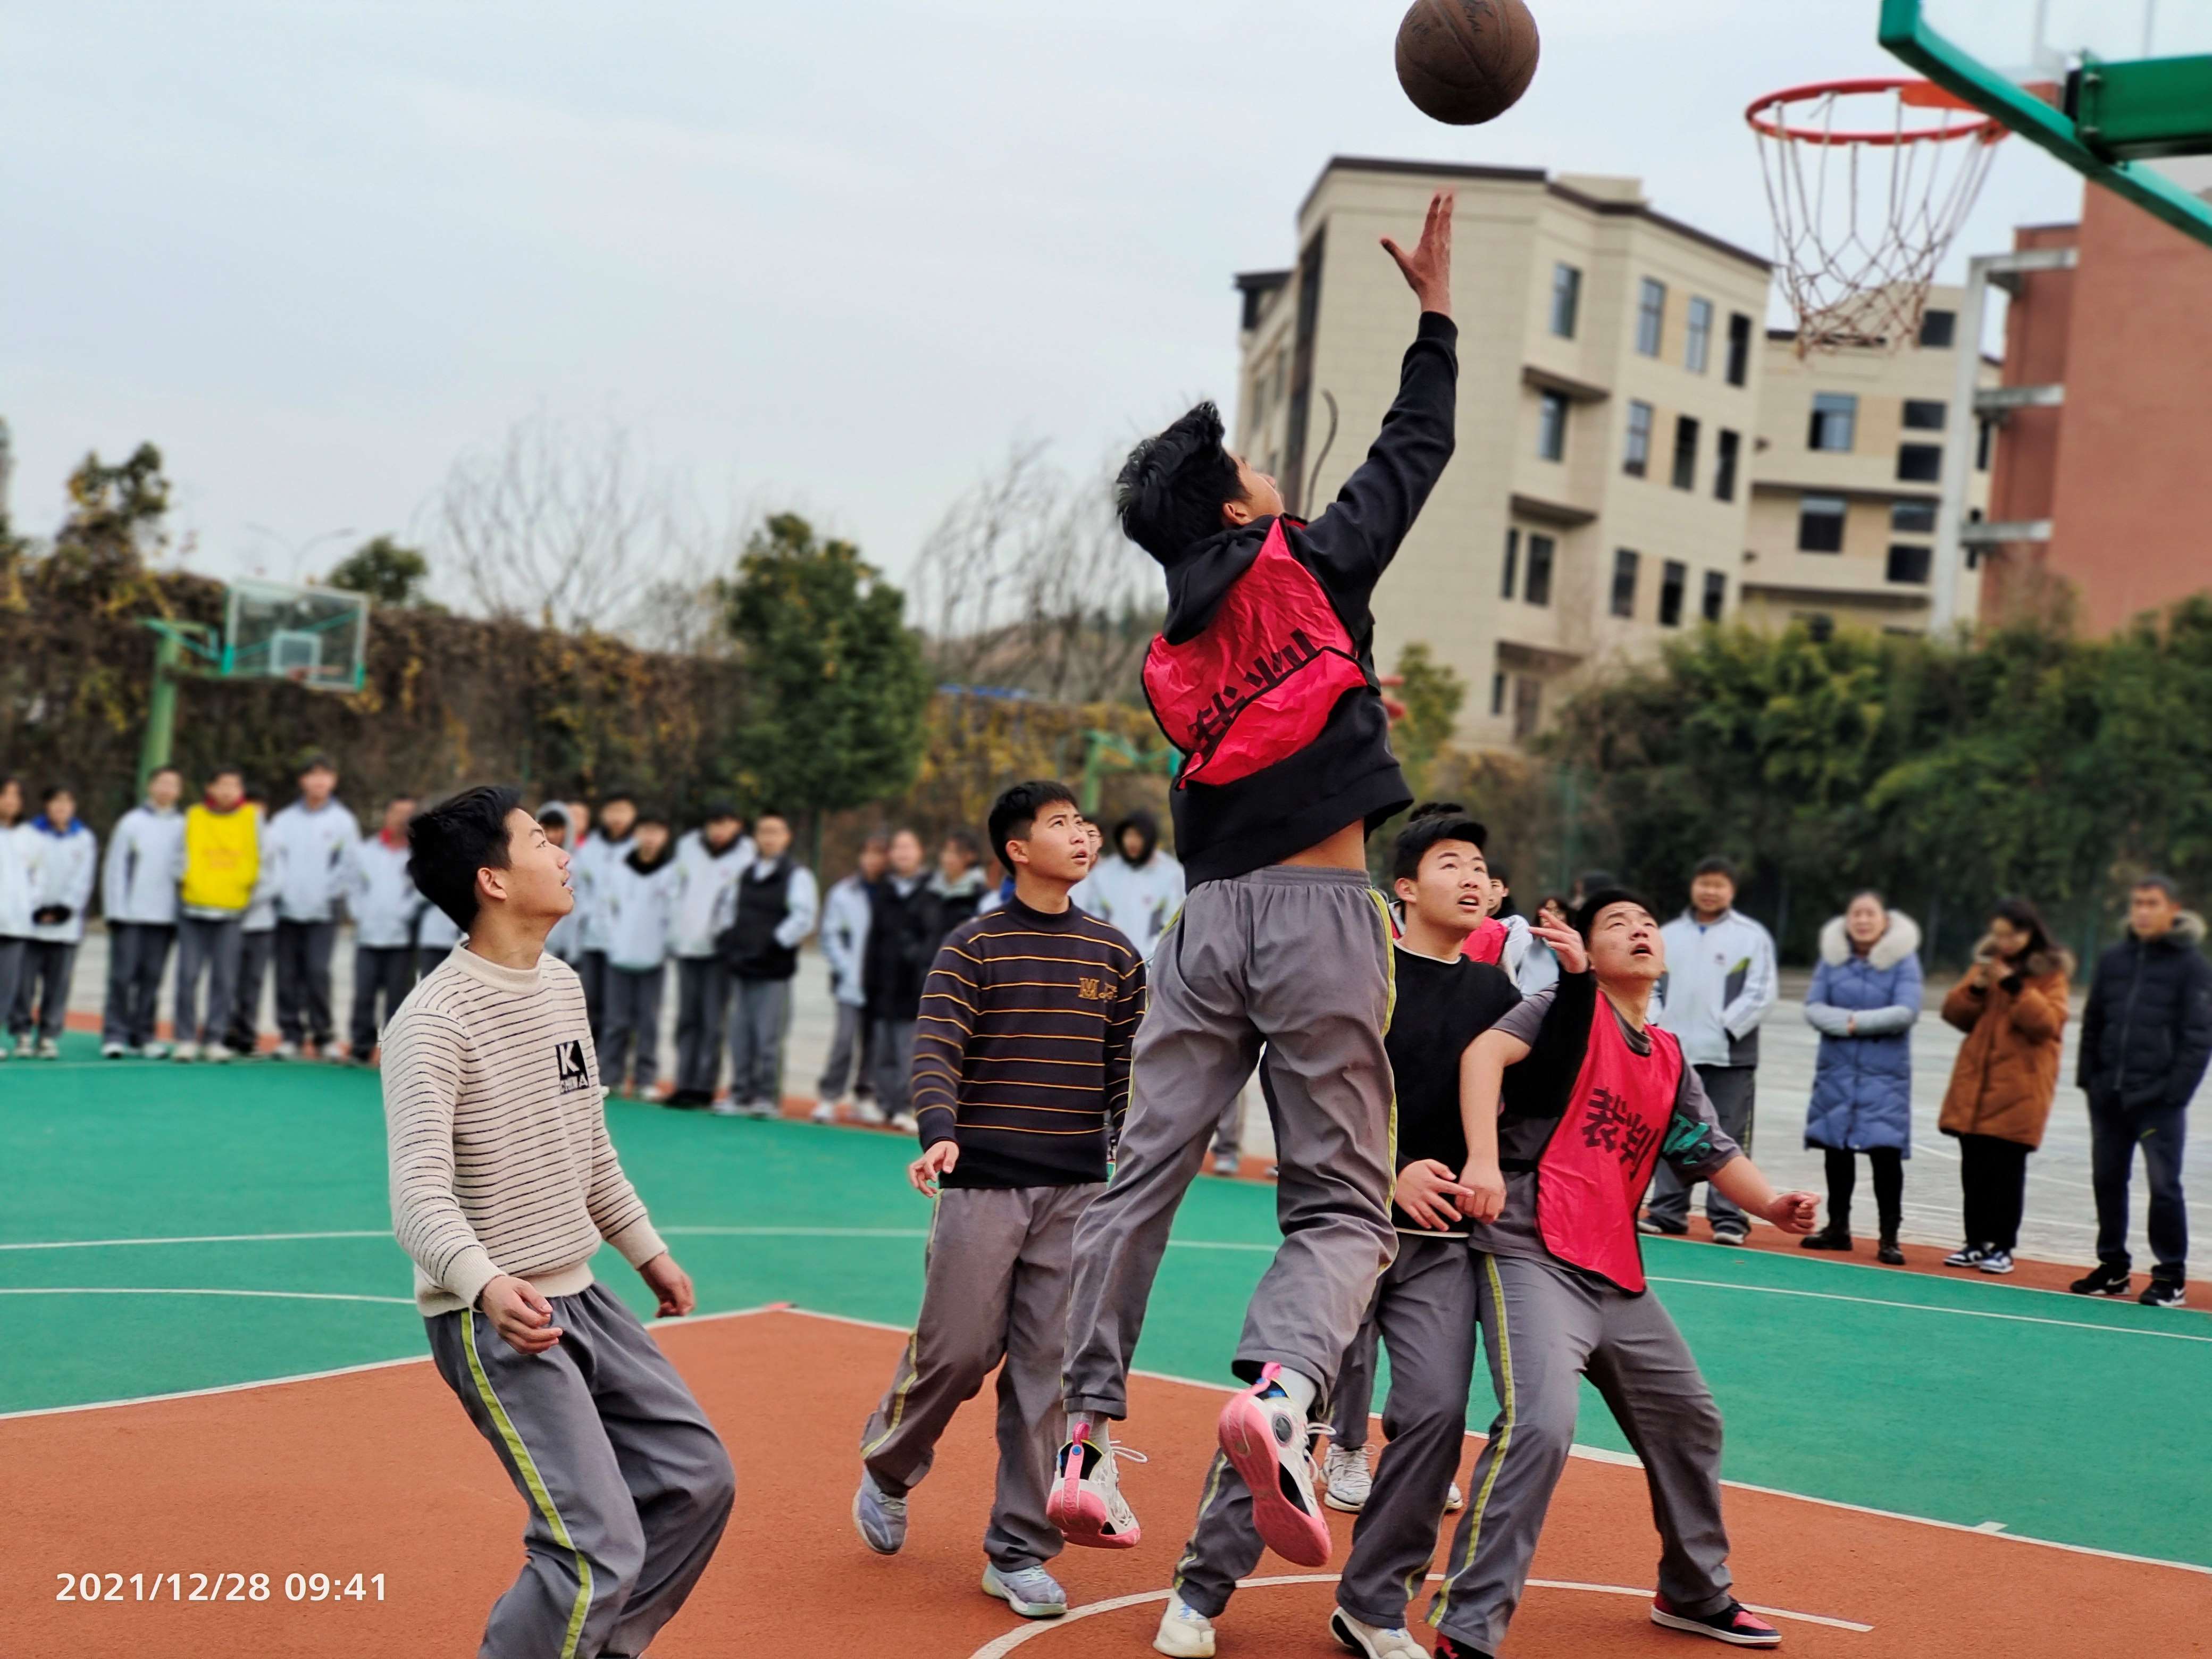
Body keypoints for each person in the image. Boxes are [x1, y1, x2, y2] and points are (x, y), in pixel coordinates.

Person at [1055, 192, 1459, 1565]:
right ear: (1234, 504)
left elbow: (1256, 735)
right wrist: (1439, 316)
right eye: (1254, 470)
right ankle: (1285, 1395)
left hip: (1202, 923)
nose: (1273, 481)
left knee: (1142, 1175)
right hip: (1318, 917)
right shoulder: (1312, 564)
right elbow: (1419, 449)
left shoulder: (1171, 659)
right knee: (1344, 1202)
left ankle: (1083, 1440)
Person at [1157, 805, 1519, 1659]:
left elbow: (1512, 1110)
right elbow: (1312, 1088)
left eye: (1480, 867)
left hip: (1438, 1247)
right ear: (1403, 885)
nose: (1471, 880)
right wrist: (1388, 1171)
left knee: (1433, 1416)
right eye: (1450, 864)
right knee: (1288, 1412)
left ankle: (1373, 1605)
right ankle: (1200, 1592)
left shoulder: (1497, 995)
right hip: (1345, 1227)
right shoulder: (1358, 967)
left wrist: (1471, 1169)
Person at [384, 785, 733, 1659]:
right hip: (499, 1317)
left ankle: (596, 1648)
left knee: (697, 1479)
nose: (564, 853)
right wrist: (487, 1284)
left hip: (585, 1295)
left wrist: (646, 1252)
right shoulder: (432, 1021)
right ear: (493, 880)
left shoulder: (562, 986)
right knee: (593, 1546)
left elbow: (589, 1144)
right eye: (541, 840)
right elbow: (419, 1198)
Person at [1424, 890, 1820, 1659]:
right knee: (1540, 1425)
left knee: (1690, 1418)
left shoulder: (1667, 1056)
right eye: (1617, 924)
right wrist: (1480, 1159)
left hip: (1615, 1270)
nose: (1639, 930)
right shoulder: (1559, 1008)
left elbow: (1712, 1149)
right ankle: (1466, 1629)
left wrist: (1773, 1204)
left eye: (1646, 923)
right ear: (1591, 954)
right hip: (1531, 1249)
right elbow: (1482, 1056)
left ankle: (1694, 1591)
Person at [854, 781, 1141, 1622]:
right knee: (957, 1354)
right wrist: (938, 1129)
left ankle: (1018, 1551)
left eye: (1084, 822)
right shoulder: (973, 947)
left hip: (1077, 1193)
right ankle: (890, 1464)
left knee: (1045, 1376)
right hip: (982, 1182)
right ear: (1018, 849)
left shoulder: (1118, 955)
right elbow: (938, 1045)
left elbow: (1128, 1070)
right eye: (1062, 824)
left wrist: (1135, 1151)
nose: (1083, 834)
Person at [2072, 875, 2210, 1308]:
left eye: (2152, 903)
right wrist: (2089, 1080)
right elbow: (2093, 1021)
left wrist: (2174, 1093)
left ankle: (2171, 1276)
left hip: (2158, 1101)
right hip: (2109, 1095)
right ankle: (2114, 1267)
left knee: (2164, 1185)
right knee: (2107, 1180)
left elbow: (2199, 1035)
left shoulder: (2192, 965)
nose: (2143, 912)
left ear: (2173, 909)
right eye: (2137, 904)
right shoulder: (2115, 959)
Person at [1643, 857, 1777, 1246]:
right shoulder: (1667, 934)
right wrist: (1656, 1026)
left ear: (1731, 891)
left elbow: (1761, 992)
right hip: (1676, 1054)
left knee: (1729, 1132)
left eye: (1719, 885)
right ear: (1694, 887)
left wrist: (1726, 1029)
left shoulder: (1751, 936)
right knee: (1675, 1131)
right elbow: (1651, 986)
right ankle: (1668, 1211)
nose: (1711, 891)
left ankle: (1729, 1217)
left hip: (1730, 1056)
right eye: (1705, 883)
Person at [1937, 898, 2073, 1276]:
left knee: (2006, 1170)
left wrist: (2014, 987)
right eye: (1998, 934)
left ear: (2029, 934)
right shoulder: (1986, 965)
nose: (2004, 942)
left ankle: (2003, 1247)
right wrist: (1977, 988)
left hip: (2020, 1089)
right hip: (1977, 1087)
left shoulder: (2049, 973)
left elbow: (2048, 1024)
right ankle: (1974, 1242)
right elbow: (1955, 1015)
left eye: (2012, 934)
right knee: (1974, 1167)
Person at [1799, 892, 1923, 1265]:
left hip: (1884, 1075)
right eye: (1857, 913)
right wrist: (1848, 1024)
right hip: (1837, 1070)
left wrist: (1854, 1022)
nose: (1863, 920)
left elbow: (1906, 1011)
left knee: (1885, 1154)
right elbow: (1814, 1007)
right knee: (1836, 1150)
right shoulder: (1833, 958)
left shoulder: (1903, 960)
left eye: (1871, 914)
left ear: (1884, 920)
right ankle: (1838, 1228)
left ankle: (1890, 1237)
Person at [716, 809, 817, 1120]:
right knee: (740, 1035)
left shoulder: (797, 875)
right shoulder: (746, 873)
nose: (769, 838)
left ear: (786, 837)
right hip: (743, 968)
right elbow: (730, 911)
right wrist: (731, 942)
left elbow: (804, 918)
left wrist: (773, 944)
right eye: (763, 832)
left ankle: (765, 1098)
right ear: (756, 837)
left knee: (768, 1036)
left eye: (775, 832)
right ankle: (739, 1093)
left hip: (773, 971)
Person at [268, 755, 361, 1060]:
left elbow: (349, 866)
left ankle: (324, 1036)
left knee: (318, 972)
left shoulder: (343, 821)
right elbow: (273, 862)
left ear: (333, 781)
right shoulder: (283, 821)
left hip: (324, 911)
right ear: (302, 781)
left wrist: (329, 895)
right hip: (285, 909)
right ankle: (291, 1036)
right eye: (313, 775)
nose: (319, 782)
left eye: (325, 775)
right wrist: (280, 893)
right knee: (286, 974)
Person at [174, 764, 261, 1062]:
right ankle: (185, 1038)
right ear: (210, 788)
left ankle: (214, 1038)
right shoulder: (193, 816)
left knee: (224, 980)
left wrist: (248, 896)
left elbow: (264, 860)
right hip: (193, 910)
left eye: (234, 785)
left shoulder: (253, 818)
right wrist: (185, 881)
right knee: (187, 976)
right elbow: (178, 855)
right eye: (222, 784)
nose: (227, 790)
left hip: (232, 913)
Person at [668, 803, 752, 1108]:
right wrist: (675, 931)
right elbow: (675, 891)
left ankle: (703, 1087)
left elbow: (738, 902)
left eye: (727, 823)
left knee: (712, 1021)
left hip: (719, 950)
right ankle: (683, 1082)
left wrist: (726, 933)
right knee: (687, 1019)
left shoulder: (747, 855)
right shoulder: (687, 847)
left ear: (738, 826)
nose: (719, 830)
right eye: (714, 823)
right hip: (686, 945)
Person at [101, 766, 186, 1058]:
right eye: (161, 783)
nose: (166, 790)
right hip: (131, 916)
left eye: (172, 785)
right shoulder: (131, 823)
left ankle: (144, 1035)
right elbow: (115, 869)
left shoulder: (185, 826)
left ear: (179, 791)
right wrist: (117, 911)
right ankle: (114, 1034)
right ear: (151, 787)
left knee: (152, 979)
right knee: (122, 977)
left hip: (166, 918)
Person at [9, 785, 96, 1059]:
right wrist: (36, 908)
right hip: (30, 924)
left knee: (58, 985)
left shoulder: (84, 838)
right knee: (23, 984)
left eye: (67, 802)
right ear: (46, 806)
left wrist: (64, 909)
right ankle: (22, 1032)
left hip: (66, 926)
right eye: (56, 802)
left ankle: (48, 1035)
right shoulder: (30, 835)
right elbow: (27, 873)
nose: (62, 808)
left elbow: (84, 878)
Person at [599, 806, 675, 1099]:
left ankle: (645, 1080)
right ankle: (611, 1076)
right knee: (616, 1022)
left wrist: (665, 947)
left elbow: (673, 914)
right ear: (636, 834)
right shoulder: (619, 868)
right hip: (619, 958)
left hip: (653, 960)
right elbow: (606, 909)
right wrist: (613, 942)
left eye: (656, 832)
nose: (650, 838)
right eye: (645, 831)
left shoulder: (670, 872)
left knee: (648, 1022)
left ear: (665, 837)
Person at [864, 827, 937, 1135]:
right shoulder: (884, 891)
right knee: (883, 1051)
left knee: (910, 1052)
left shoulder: (931, 891)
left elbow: (933, 938)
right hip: (883, 985)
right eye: (898, 848)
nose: (903, 853)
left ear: (920, 852)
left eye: (909, 847)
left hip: (914, 987)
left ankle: (906, 1107)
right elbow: (874, 938)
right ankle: (885, 1103)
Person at [816, 834, 887, 1124]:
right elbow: (829, 935)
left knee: (875, 1044)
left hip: (883, 985)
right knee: (844, 1041)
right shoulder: (843, 892)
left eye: (879, 854)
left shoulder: (894, 893)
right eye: (868, 853)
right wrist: (848, 968)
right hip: (850, 983)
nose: (873, 860)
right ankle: (829, 1098)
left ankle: (864, 1096)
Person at [348, 793, 423, 1065]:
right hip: (367, 937)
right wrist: (360, 913)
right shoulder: (367, 851)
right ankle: (360, 1048)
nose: (402, 820)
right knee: (364, 995)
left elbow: (419, 893)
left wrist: (404, 914)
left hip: (401, 940)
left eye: (408, 815)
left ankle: (393, 1055)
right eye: (397, 813)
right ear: (388, 816)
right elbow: (354, 887)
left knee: (397, 999)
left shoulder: (418, 857)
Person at [1081, 810, 1186, 962]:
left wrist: (1154, 958)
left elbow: (1173, 922)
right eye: (1128, 835)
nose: (1132, 842)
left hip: (1151, 963)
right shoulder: (1105, 872)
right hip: (1109, 959)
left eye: (1138, 836)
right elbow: (1094, 915)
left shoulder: (1171, 874)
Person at [574, 789, 638, 1041]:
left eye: (623, 811)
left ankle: (613, 1069)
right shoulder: (590, 848)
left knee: (618, 1010)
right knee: (588, 1005)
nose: (617, 817)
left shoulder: (638, 849)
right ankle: (589, 1068)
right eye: (612, 811)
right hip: (590, 938)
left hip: (623, 942)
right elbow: (579, 887)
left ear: (633, 815)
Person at [223, 786, 282, 1058]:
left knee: (253, 981)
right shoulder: (231, 833)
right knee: (226, 979)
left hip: (260, 922)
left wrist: (247, 899)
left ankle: (247, 1034)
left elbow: (276, 880)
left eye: (260, 808)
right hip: (229, 920)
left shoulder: (272, 838)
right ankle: (223, 1031)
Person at [0, 777, 36, 1060]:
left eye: (15, 795)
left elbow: (39, 878)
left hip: (16, 925)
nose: (10, 800)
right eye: (4, 794)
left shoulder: (29, 836)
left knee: (7, 985)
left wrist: (29, 908)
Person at [537, 803, 582, 965]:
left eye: (557, 830)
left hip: (565, 936)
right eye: (546, 829)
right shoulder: (532, 861)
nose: (551, 835)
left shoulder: (575, 864)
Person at [1514, 894, 1568, 998]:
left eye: (1558, 911)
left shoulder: (1579, 948)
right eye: (1547, 911)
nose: (1552, 916)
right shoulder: (1531, 952)